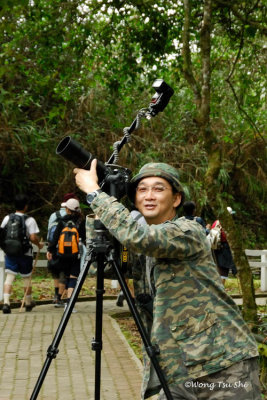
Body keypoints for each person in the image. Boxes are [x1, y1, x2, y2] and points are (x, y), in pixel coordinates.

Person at [74, 160, 260, 400]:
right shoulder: (142, 246)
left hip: (223, 365)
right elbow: (105, 267)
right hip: (178, 369)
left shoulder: (187, 231)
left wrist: (94, 194)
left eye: (158, 188)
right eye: (142, 190)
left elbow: (140, 236)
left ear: (176, 199)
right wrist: (98, 216)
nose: (149, 196)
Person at [1, 194, 43, 314]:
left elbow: (2, 232)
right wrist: (39, 245)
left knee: (9, 277)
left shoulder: (7, 218)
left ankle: (6, 303)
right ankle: (28, 303)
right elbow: (33, 237)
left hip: (10, 252)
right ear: (26, 206)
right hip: (25, 253)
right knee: (26, 277)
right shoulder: (29, 220)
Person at [46, 198, 85, 311]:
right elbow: (85, 238)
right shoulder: (80, 221)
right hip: (75, 254)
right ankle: (69, 304)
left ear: (67, 209)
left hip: (62, 255)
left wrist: (50, 251)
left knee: (66, 276)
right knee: (73, 278)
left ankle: (63, 299)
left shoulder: (62, 221)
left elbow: (55, 238)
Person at [210, 220, 237, 286]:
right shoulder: (227, 224)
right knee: (223, 271)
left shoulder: (216, 222)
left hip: (215, 248)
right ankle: (221, 289)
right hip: (225, 249)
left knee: (217, 269)